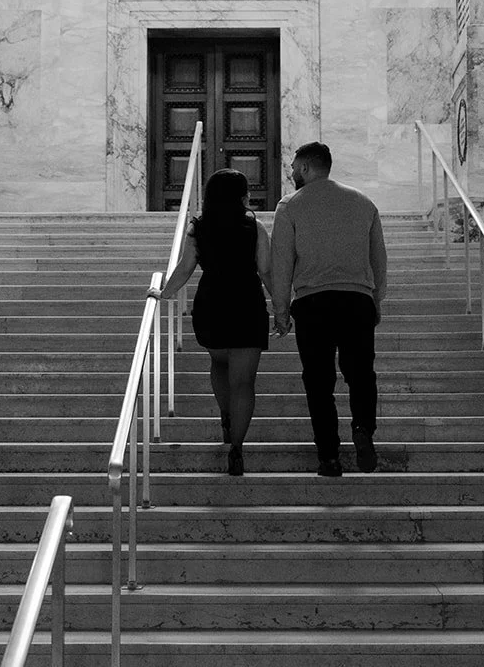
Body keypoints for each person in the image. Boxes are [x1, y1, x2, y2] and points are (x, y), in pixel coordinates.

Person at [271, 141, 387, 477]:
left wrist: (281, 311)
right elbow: (378, 257)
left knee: (318, 382)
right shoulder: (364, 203)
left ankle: (329, 457)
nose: (292, 172)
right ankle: (363, 430)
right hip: (356, 299)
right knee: (361, 374)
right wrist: (375, 299)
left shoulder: (289, 206)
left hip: (312, 302)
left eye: (294, 166)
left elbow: (282, 263)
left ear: (306, 168)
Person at [156, 168, 272, 476]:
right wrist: (284, 308)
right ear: (242, 195)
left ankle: (225, 416)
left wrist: (163, 293)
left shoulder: (199, 228)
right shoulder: (255, 227)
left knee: (219, 363)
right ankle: (237, 447)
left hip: (213, 302)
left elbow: (185, 268)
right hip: (247, 302)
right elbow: (266, 270)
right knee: (245, 382)